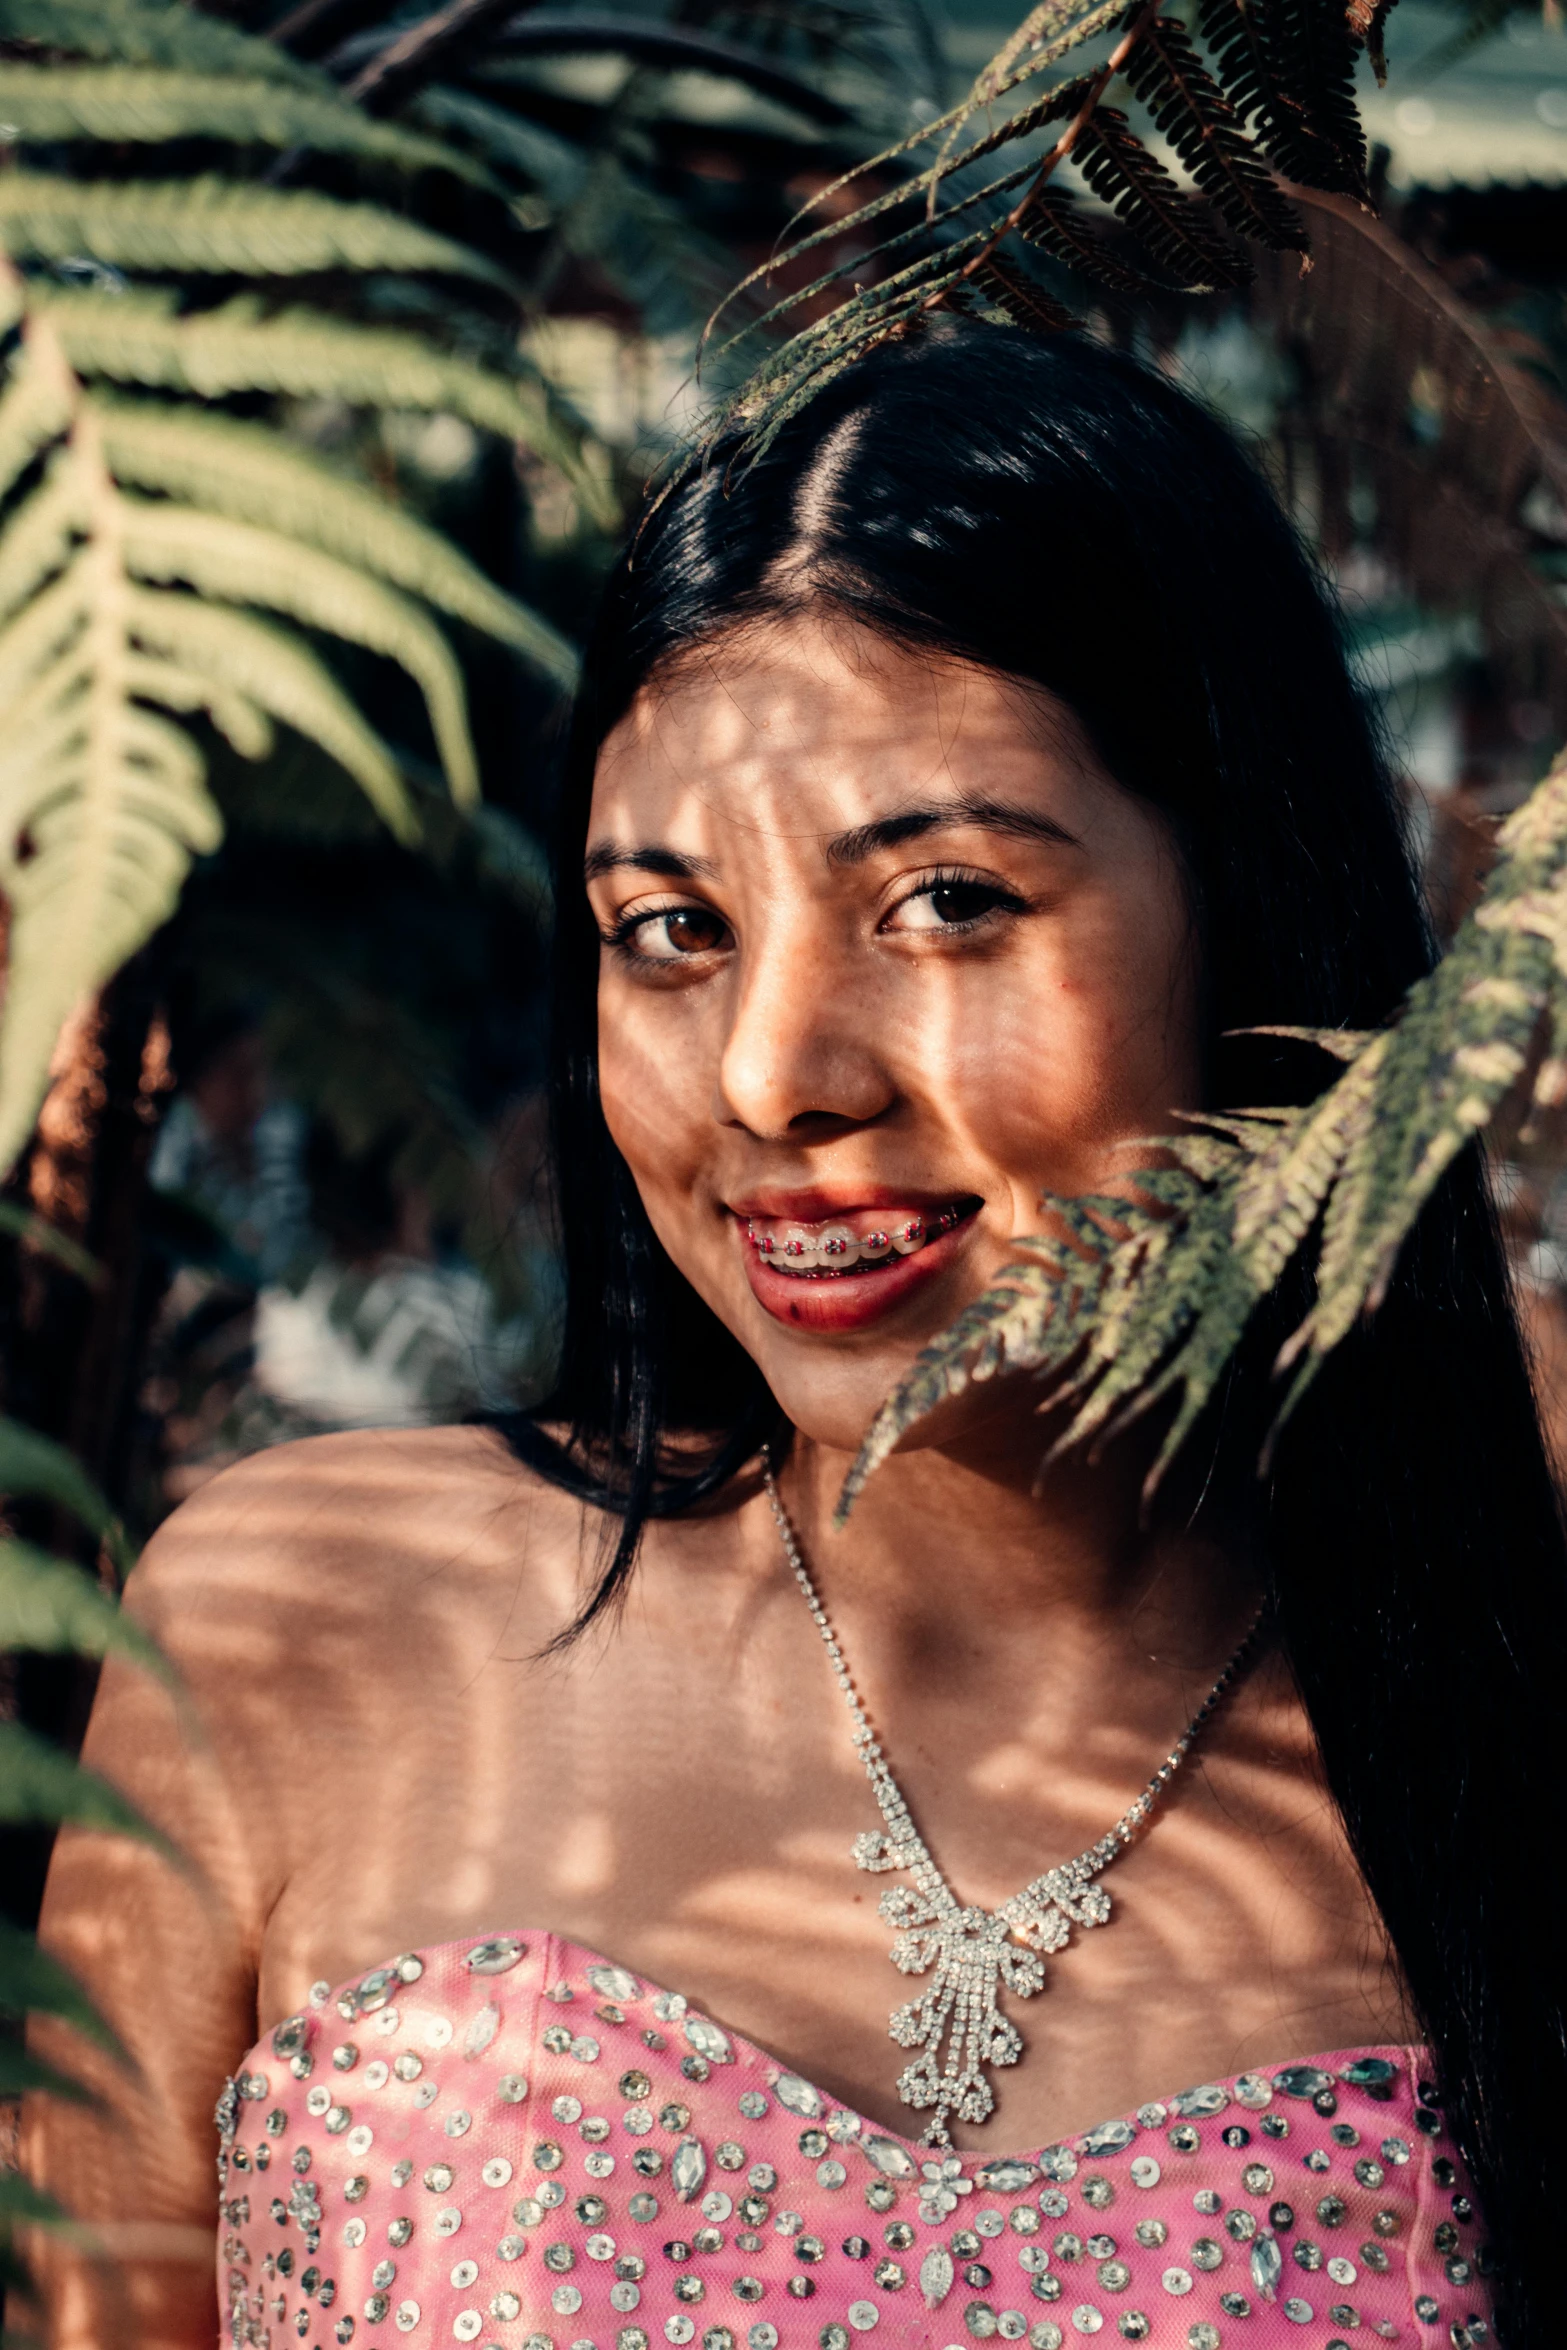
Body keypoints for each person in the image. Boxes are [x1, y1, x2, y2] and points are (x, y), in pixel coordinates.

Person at [24, 321, 1562, 2350]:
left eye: (945, 900)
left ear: (1247, 901)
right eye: (671, 927)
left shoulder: (1501, 1631)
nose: (769, 1075)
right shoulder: (302, 1624)